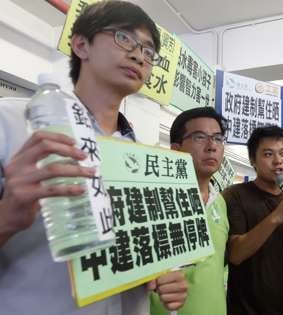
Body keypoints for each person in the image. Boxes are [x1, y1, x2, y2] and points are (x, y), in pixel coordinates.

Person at [0, 1, 186, 314]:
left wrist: (163, 274)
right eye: (124, 38)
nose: (139, 55)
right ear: (81, 44)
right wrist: (7, 216)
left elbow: (144, 251)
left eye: (149, 51)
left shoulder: (147, 160)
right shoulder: (12, 121)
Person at [223, 126, 283, 315]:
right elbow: (236, 254)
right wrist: (278, 216)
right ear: (253, 160)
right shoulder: (234, 195)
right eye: (268, 154)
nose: (278, 161)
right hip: (246, 308)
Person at [150, 107, 229, 315]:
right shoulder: (153, 200)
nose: (212, 146)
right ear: (176, 149)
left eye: (218, 138)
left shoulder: (220, 202)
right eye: (199, 137)